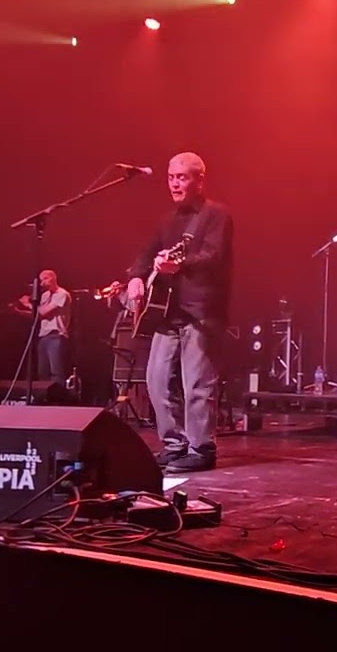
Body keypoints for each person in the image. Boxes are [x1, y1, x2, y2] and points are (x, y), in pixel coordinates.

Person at [126, 152, 233, 473]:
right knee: (155, 380)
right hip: (168, 312)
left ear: (199, 180)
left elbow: (213, 256)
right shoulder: (167, 220)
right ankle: (174, 444)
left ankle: (202, 449)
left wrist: (179, 264)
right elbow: (146, 252)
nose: (174, 183)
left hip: (201, 311)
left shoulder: (216, 215)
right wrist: (135, 277)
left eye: (182, 177)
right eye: (171, 177)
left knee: (197, 385)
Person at [12, 269, 72, 388]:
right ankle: (44, 396)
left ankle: (58, 396)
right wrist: (18, 311)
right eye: (41, 280)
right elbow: (37, 315)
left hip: (56, 336)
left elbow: (44, 312)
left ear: (53, 278)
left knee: (56, 371)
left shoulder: (62, 294)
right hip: (43, 335)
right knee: (42, 371)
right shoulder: (45, 295)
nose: (42, 282)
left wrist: (28, 304)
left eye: (45, 278)